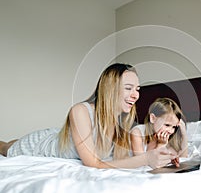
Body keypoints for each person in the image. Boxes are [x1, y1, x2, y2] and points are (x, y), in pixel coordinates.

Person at [0, 63, 175, 169]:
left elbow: (131, 158)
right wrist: (145, 159)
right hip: (41, 144)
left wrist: (160, 151)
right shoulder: (80, 111)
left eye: (137, 89)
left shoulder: (122, 122)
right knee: (5, 148)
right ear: (110, 88)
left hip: (67, 139)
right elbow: (93, 164)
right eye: (129, 88)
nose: (136, 95)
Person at [130, 97, 188, 167]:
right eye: (167, 125)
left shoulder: (165, 136)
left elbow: (183, 158)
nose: (171, 131)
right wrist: (161, 145)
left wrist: (184, 134)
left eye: (174, 127)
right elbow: (142, 164)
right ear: (153, 118)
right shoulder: (137, 133)